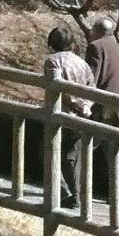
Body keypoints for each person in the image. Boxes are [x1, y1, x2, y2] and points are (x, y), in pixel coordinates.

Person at [43, 25, 94, 207]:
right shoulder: (82, 63)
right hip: (81, 117)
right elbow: (91, 88)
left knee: (52, 154)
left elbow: (62, 91)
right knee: (72, 157)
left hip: (61, 115)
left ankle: (68, 193)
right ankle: (75, 194)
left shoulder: (52, 62)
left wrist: (78, 105)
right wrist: (86, 106)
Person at [86, 17, 119, 203]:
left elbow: (92, 79)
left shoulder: (95, 47)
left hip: (104, 107)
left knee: (85, 146)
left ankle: (78, 189)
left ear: (97, 31)